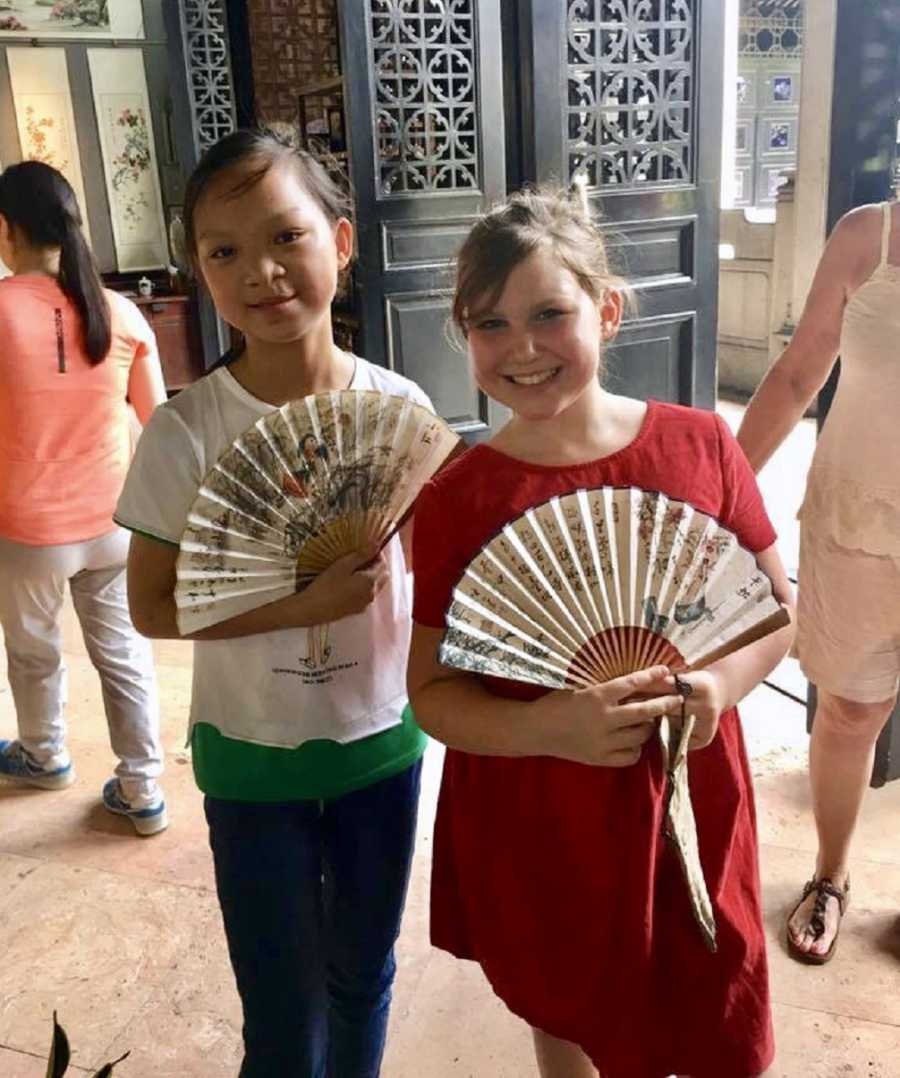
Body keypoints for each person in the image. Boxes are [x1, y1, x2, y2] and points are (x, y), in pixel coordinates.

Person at [408, 188, 795, 1078]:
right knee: (569, 998)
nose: (523, 348)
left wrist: (722, 687)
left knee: (711, 987)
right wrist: (551, 726)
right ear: (465, 339)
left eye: (550, 313)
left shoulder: (702, 447)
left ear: (608, 311)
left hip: (691, 792)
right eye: (490, 325)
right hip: (542, 803)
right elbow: (430, 693)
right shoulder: (460, 499)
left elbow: (775, 610)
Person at [115, 128, 430, 1078]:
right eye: (224, 251)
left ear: (340, 243)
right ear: (201, 271)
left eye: (286, 237)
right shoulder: (186, 431)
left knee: (364, 976)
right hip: (252, 759)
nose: (260, 271)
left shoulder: (399, 410)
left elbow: (434, 586)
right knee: (283, 1012)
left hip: (382, 742)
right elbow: (155, 609)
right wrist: (302, 601)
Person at [737, 200, 900, 964]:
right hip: (857, 524)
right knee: (849, 710)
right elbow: (801, 370)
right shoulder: (869, 235)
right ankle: (831, 877)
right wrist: (723, 493)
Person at [0, 160, 167, 836]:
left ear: (6, 230)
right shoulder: (120, 313)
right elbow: (160, 425)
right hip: (113, 526)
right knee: (124, 654)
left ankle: (45, 755)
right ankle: (144, 787)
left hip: (28, 530)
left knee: (35, 652)